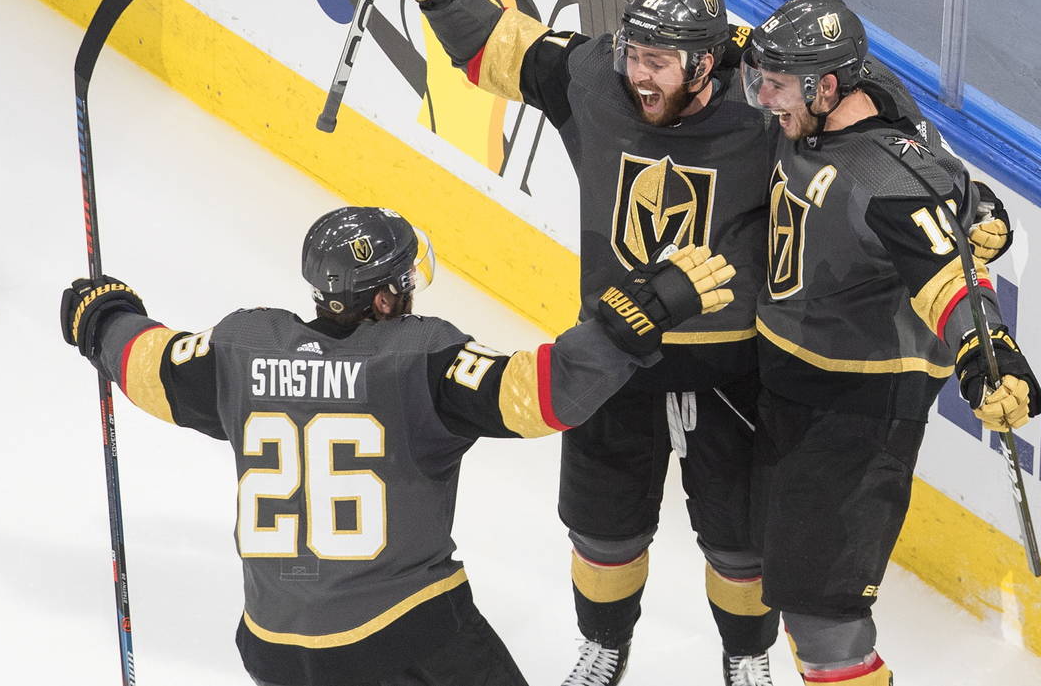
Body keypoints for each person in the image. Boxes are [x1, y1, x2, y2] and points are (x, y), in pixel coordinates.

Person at [344, 0, 780, 686]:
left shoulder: (767, 107)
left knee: (742, 541)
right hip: (613, 349)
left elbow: (863, 118)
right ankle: (605, 644)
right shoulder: (594, 78)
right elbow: (492, 47)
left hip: (731, 365)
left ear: (708, 64)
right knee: (602, 526)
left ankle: (746, 658)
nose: (641, 75)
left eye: (661, 63)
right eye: (635, 54)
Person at [59, 206, 736, 686]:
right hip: (408, 630)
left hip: (273, 644)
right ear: (383, 299)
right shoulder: (418, 359)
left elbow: (148, 367)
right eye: (403, 281)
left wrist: (103, 320)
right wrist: (635, 319)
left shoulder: (241, 347)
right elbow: (542, 396)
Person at [740, 0, 1041, 685]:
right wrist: (973, 199)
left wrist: (985, 357)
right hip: (791, 388)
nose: (763, 97)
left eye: (779, 84)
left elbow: (949, 276)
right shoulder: (856, 95)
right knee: (797, 594)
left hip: (854, 417)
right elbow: (947, 186)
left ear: (825, 86)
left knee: (824, 616)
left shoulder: (887, 179)